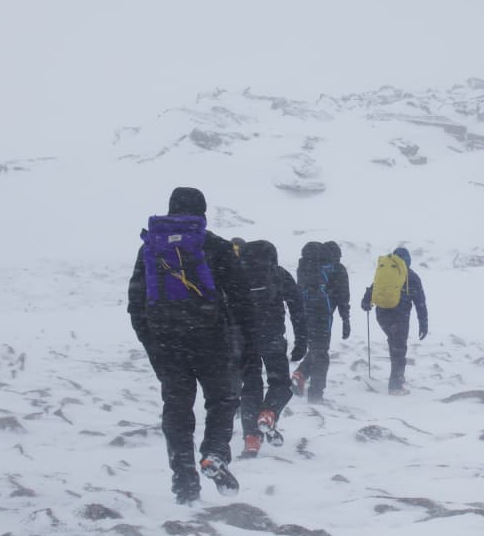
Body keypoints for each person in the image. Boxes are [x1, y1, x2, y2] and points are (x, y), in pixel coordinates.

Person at [127, 187, 253, 504]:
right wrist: (247, 345)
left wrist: (153, 345)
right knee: (223, 400)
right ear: (202, 214)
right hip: (212, 341)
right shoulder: (216, 247)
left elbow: (136, 304)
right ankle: (214, 453)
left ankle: (184, 480)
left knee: (177, 409)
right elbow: (242, 301)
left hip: (167, 344)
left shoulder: (151, 250)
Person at [231, 239, 307, 458]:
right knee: (280, 383)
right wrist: (301, 340)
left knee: (250, 386)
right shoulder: (278, 273)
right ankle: (269, 413)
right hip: (272, 337)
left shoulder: (234, 274)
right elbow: (297, 308)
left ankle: (251, 439)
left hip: (242, 339)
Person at [360, 246, 428, 395]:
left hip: (382, 314)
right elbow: (420, 302)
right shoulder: (412, 276)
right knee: (399, 348)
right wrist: (423, 323)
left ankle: (398, 377)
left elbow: (374, 288)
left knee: (394, 343)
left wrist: (366, 302)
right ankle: (396, 386)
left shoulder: (386, 272)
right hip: (400, 315)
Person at [292, 241, 350, 403]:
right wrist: (346, 319)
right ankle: (316, 394)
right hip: (323, 315)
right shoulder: (337, 269)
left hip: (304, 314)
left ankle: (300, 374)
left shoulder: (306, 266)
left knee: (316, 348)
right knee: (321, 353)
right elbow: (343, 297)